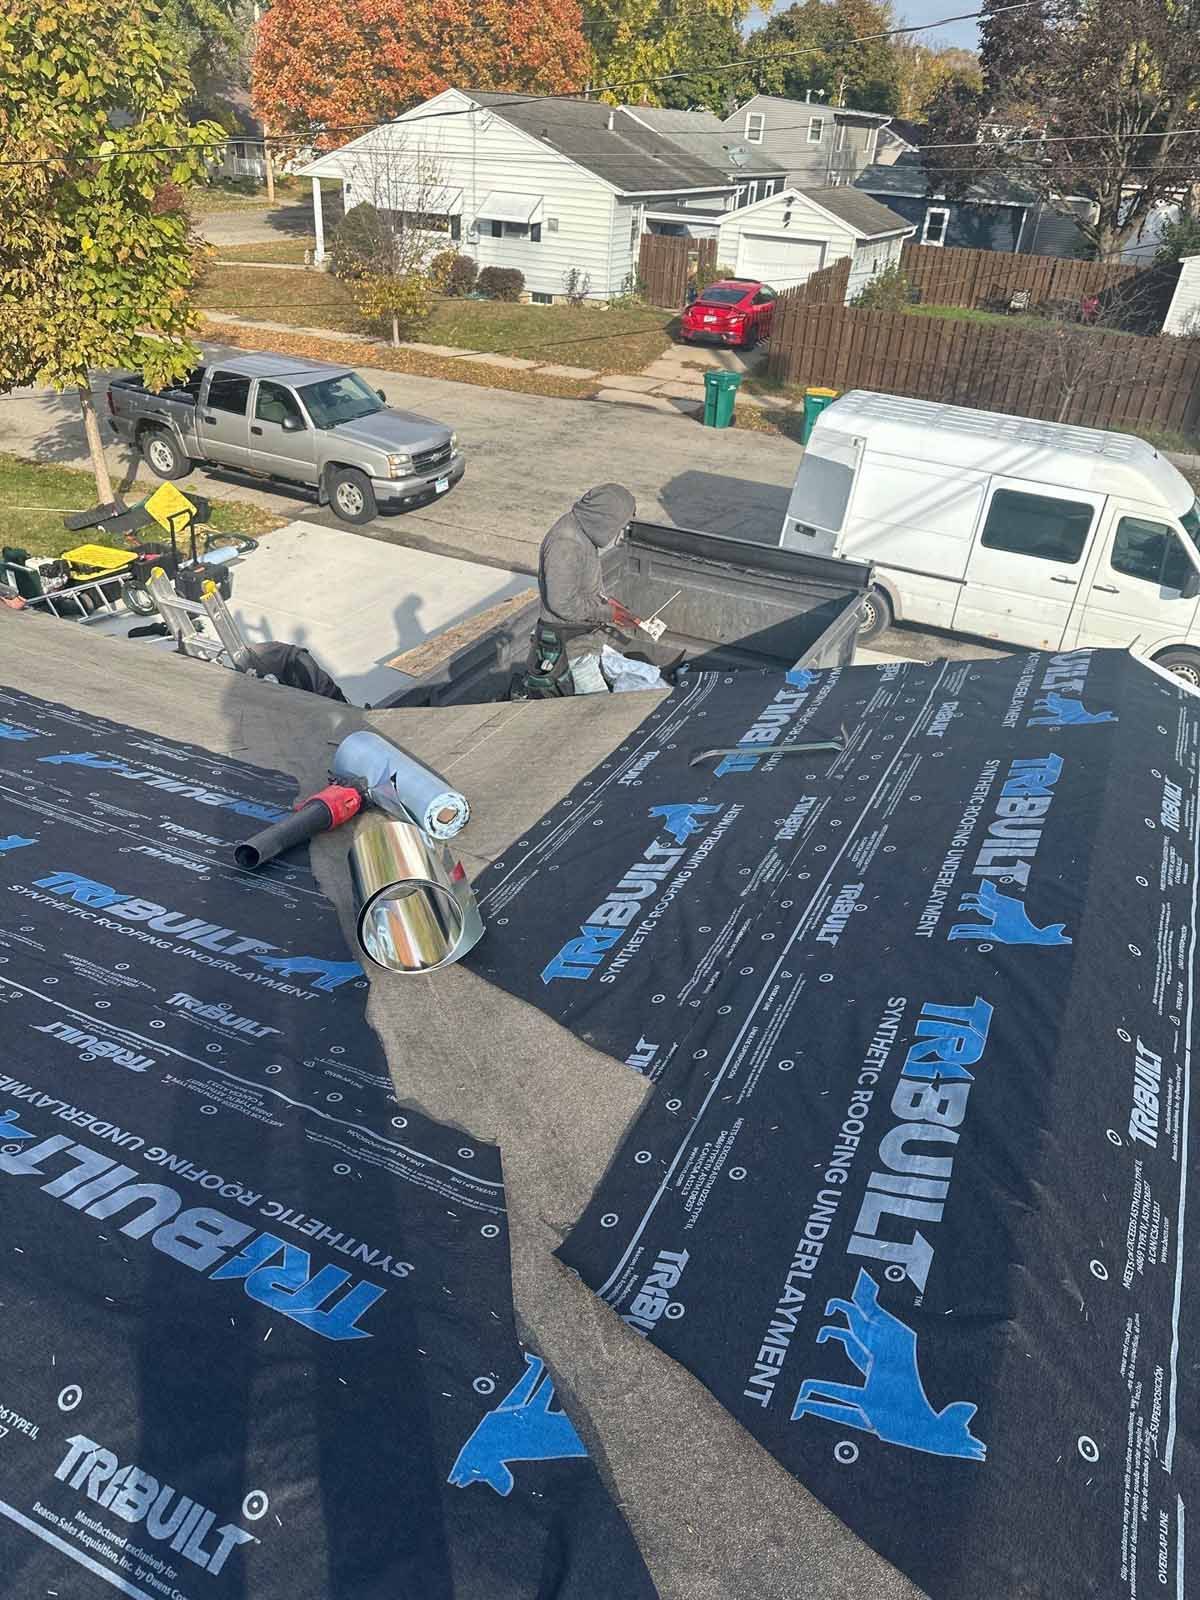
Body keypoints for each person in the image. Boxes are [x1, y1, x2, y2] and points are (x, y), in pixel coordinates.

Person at [535, 485, 680, 682]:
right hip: (571, 649)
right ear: (604, 519)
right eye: (618, 526)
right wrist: (608, 613)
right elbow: (563, 604)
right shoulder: (566, 544)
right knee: (596, 708)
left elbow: (583, 590)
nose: (617, 533)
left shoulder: (581, 534)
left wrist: (610, 604)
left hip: (584, 642)